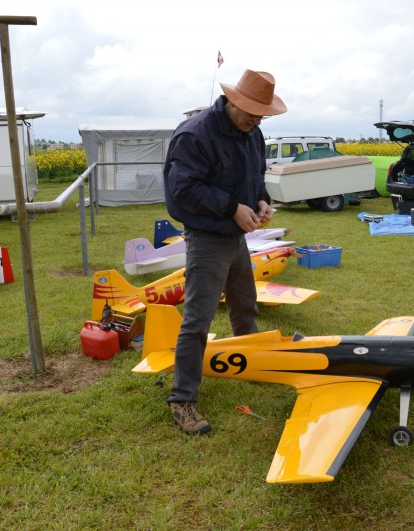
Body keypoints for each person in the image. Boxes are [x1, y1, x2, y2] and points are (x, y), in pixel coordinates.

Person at [162, 69, 287, 435]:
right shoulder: (195, 134)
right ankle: (182, 400)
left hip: (236, 238)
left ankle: (252, 363)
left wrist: (261, 200)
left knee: (245, 305)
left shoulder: (252, 133)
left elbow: (255, 176)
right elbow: (182, 190)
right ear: (233, 101)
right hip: (206, 238)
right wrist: (232, 207)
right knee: (197, 320)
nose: (257, 121)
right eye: (253, 113)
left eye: (263, 115)